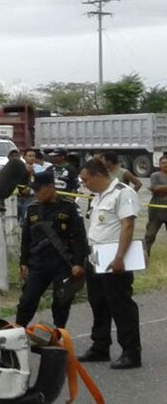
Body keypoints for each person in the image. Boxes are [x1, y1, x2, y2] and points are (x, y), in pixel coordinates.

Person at [77, 158, 142, 369]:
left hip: (114, 258)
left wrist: (120, 257)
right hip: (96, 256)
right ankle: (100, 346)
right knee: (99, 303)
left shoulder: (122, 193)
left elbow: (128, 226)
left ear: (98, 175)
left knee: (120, 305)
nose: (84, 184)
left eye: (86, 180)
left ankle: (131, 352)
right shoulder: (98, 196)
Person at [16, 170, 87, 330]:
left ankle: (59, 333)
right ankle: (18, 330)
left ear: (50, 187)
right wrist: (23, 262)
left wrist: (78, 263)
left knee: (61, 300)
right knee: (27, 300)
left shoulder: (69, 207)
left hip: (62, 263)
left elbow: (79, 237)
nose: (36, 194)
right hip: (38, 262)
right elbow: (26, 237)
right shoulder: (33, 208)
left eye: (38, 190)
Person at [145, 156, 167, 255]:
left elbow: (159, 189)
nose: (165, 165)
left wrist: (162, 189)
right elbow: (155, 188)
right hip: (156, 210)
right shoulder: (155, 175)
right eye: (163, 163)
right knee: (150, 234)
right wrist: (158, 189)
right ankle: (145, 254)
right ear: (159, 164)